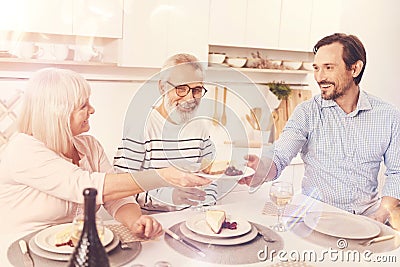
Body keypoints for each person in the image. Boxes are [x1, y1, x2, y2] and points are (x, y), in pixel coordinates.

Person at [0, 67, 211, 238]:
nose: (91, 110)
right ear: (58, 111)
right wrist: (162, 176)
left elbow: (116, 198)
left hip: (73, 247)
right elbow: (86, 185)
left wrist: (134, 220)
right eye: (83, 105)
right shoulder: (23, 148)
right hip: (22, 250)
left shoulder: (89, 146)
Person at [241, 33, 400, 224]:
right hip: (313, 220)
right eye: (316, 68)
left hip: (366, 221)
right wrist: (263, 170)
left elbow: (397, 172)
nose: (319, 77)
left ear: (355, 68)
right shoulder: (307, 112)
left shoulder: (388, 116)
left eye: (329, 68)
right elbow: (281, 156)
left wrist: (382, 214)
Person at [114, 53, 217, 213]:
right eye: (181, 89)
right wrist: (170, 197)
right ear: (163, 87)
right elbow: (121, 188)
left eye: (196, 90)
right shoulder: (140, 125)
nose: (190, 98)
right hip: (154, 220)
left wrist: (206, 210)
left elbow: (210, 178)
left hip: (193, 218)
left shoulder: (201, 126)